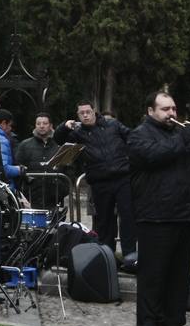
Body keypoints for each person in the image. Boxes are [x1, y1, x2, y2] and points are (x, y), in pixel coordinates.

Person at [126, 92, 190, 326]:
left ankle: (174, 323)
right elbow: (154, 157)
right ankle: (148, 324)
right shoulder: (139, 136)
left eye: (174, 109)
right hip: (154, 216)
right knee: (153, 275)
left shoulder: (180, 135)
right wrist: (183, 139)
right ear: (150, 111)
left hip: (184, 215)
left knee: (179, 276)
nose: (172, 114)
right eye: (165, 109)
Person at [56, 101, 135, 261]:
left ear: (94, 111)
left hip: (122, 177)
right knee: (104, 222)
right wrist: (64, 126)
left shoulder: (113, 124)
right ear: (78, 115)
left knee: (127, 217)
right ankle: (107, 256)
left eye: (88, 111)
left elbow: (133, 137)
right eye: (81, 113)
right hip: (100, 181)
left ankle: (130, 255)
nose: (85, 115)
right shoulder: (78, 133)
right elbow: (58, 140)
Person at [15, 114, 72, 211]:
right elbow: (17, 167)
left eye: (45, 123)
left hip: (55, 195)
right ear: (35, 125)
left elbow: (69, 168)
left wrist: (63, 189)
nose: (41, 126)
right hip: (31, 195)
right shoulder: (24, 145)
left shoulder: (60, 145)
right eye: (38, 123)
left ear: (50, 125)